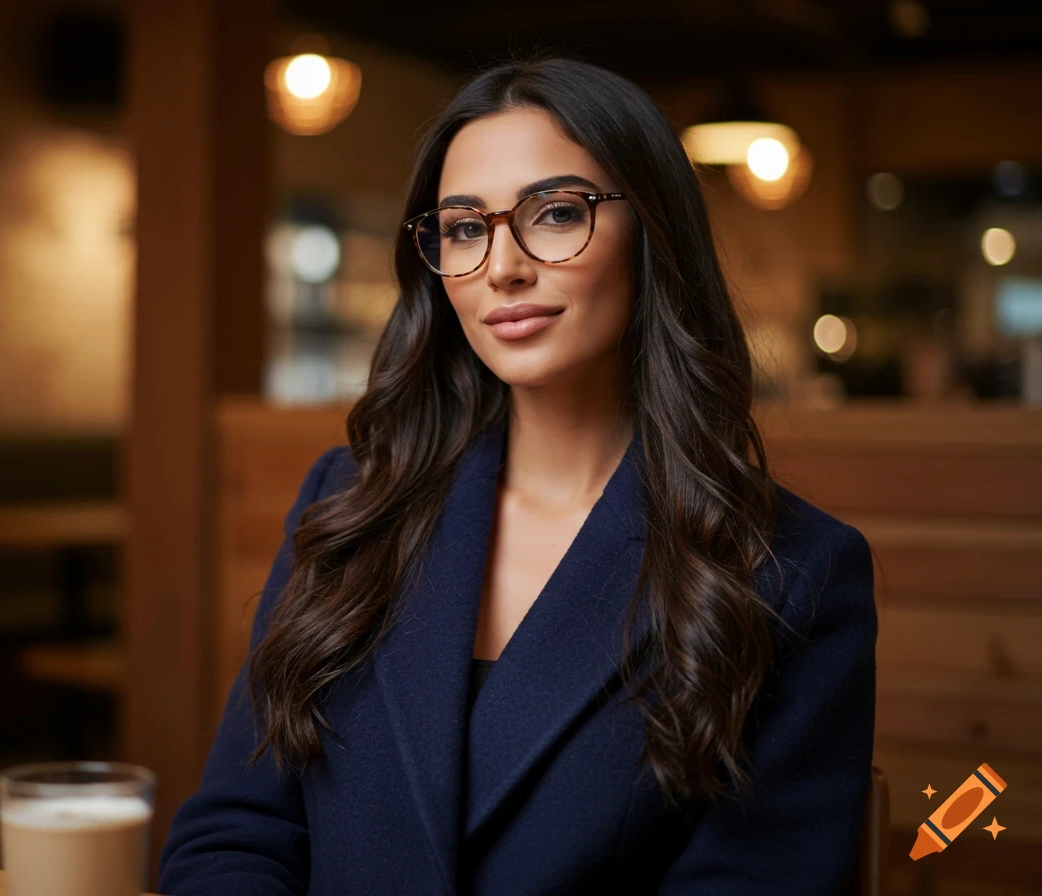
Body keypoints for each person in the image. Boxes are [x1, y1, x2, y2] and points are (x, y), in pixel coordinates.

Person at [159, 55, 877, 895]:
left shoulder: (794, 572)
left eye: (557, 212)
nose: (502, 265)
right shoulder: (353, 502)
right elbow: (236, 834)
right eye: (465, 228)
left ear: (654, 234)